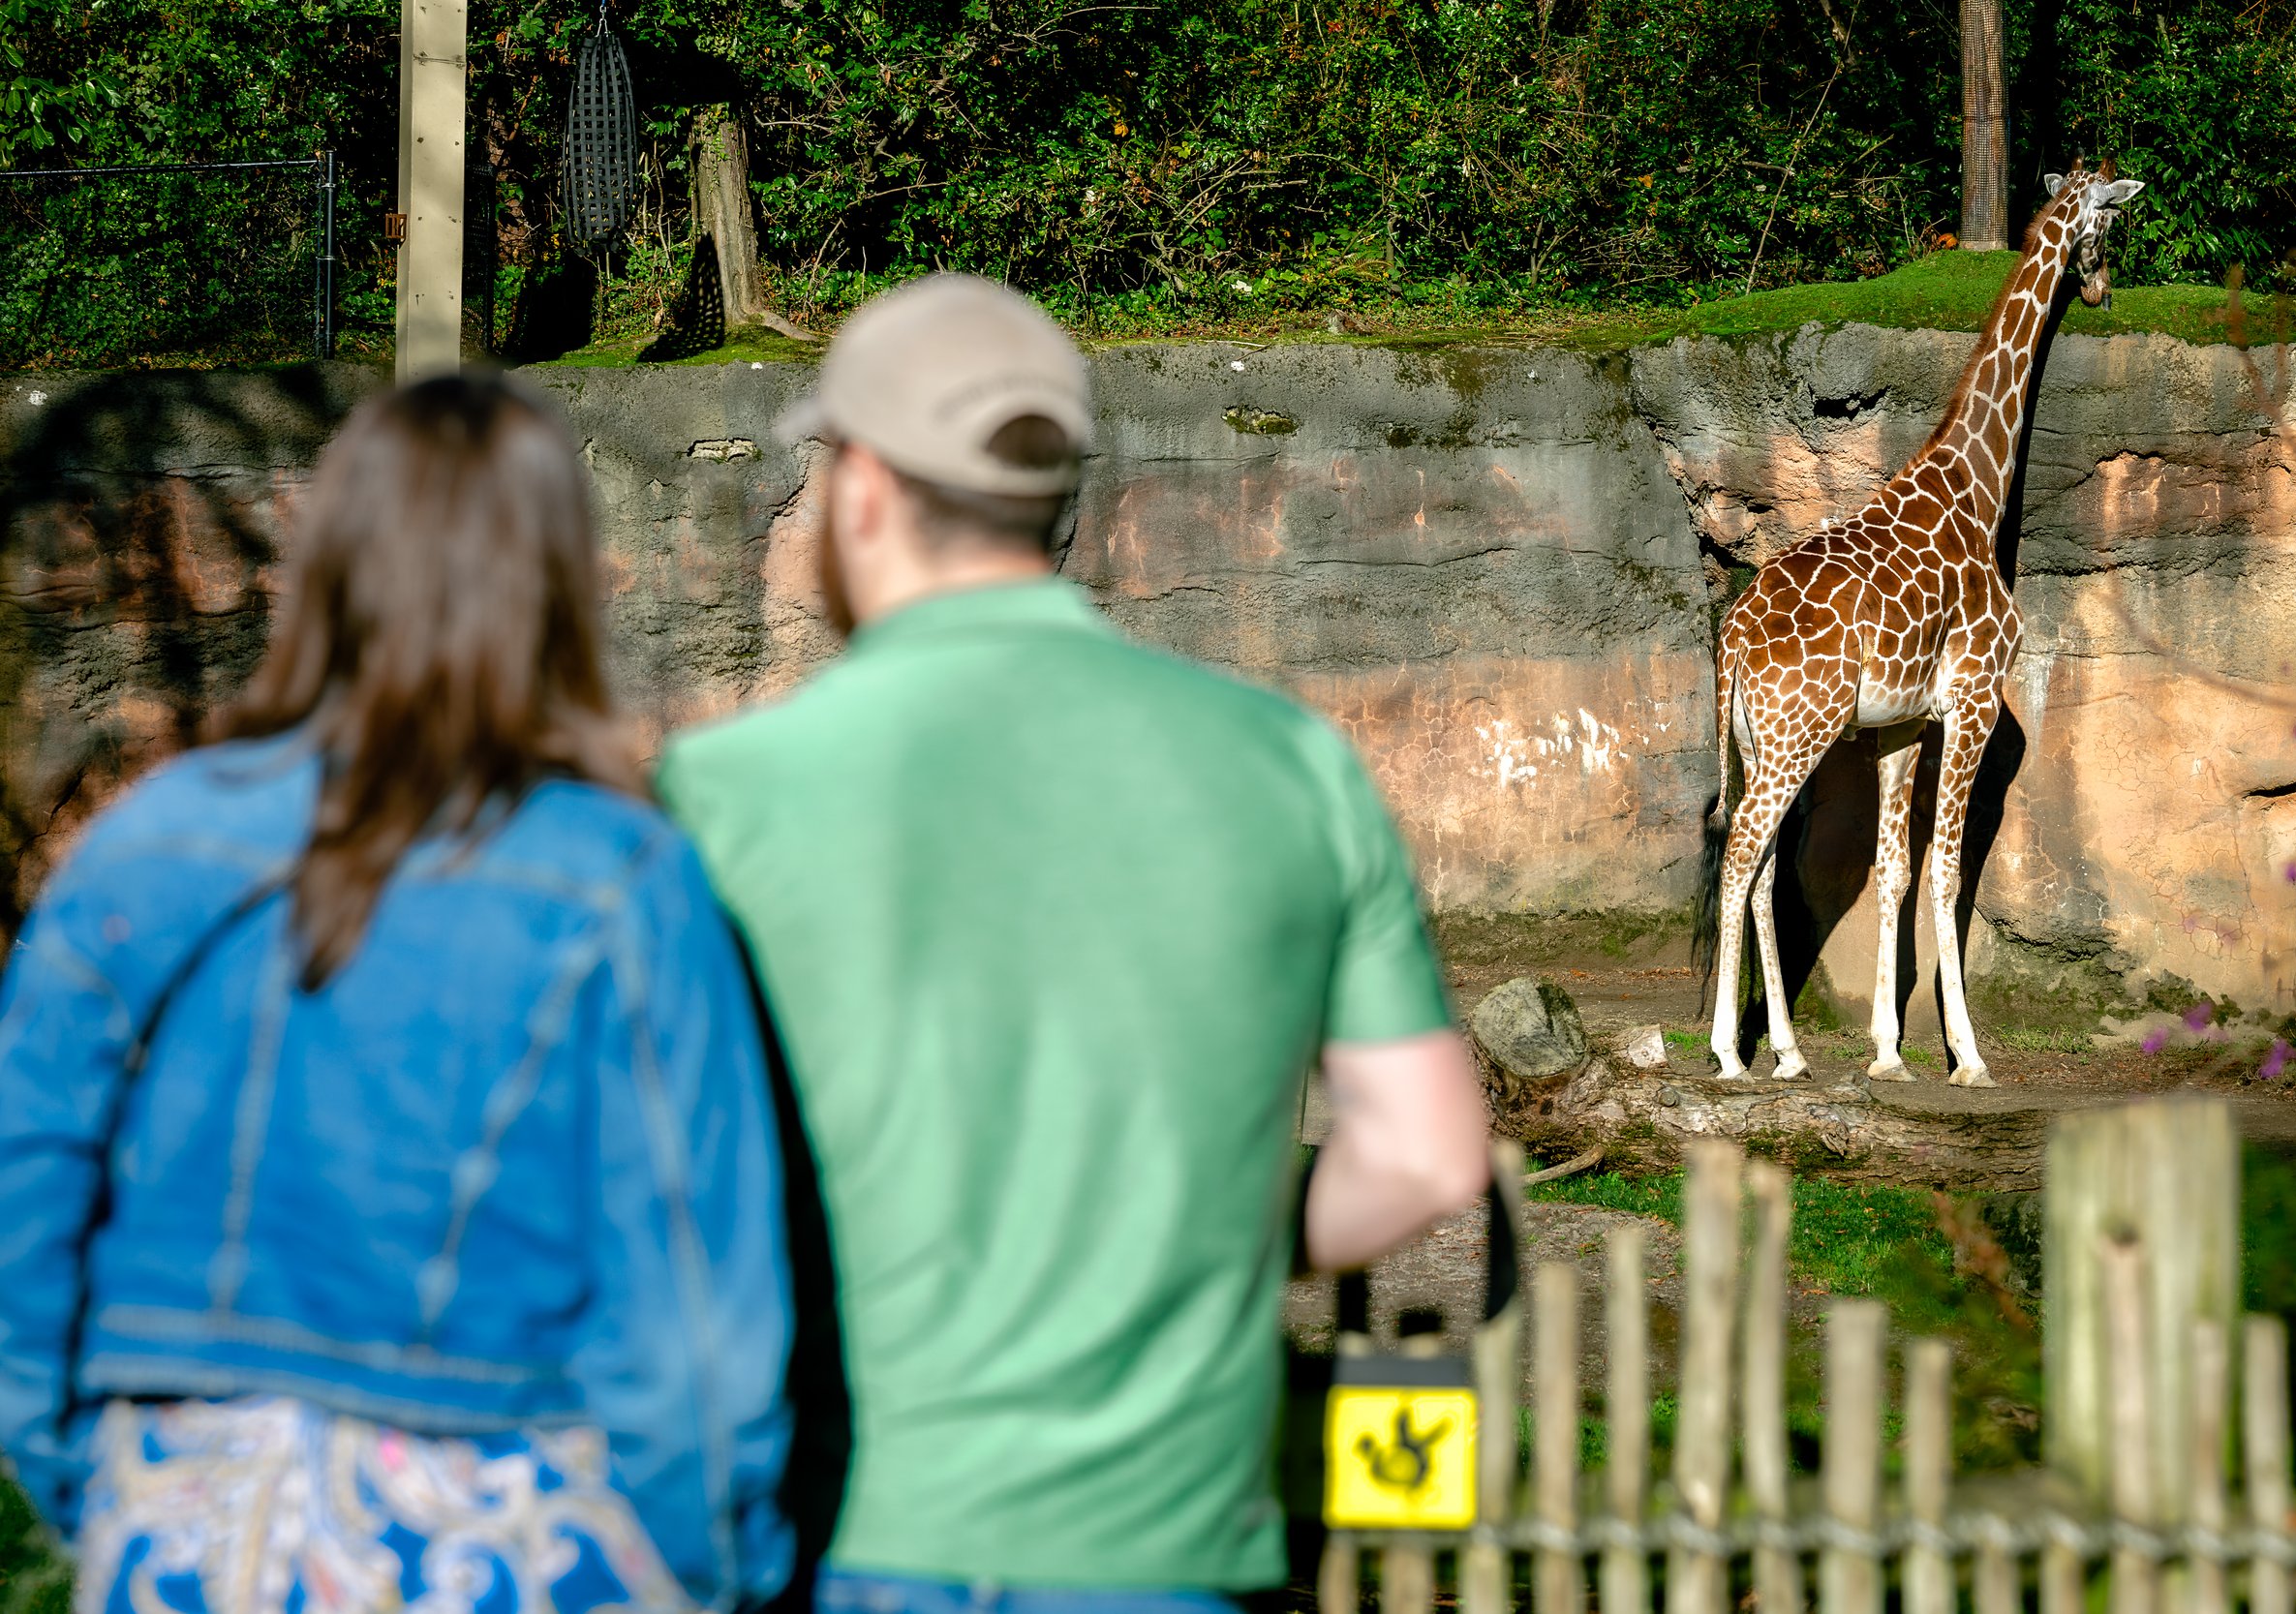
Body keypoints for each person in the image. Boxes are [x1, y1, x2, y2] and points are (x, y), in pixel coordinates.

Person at [658, 274, 1491, 1610]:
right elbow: (1425, 1154)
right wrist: (1198, 1226)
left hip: (848, 1526)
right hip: (1165, 1541)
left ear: (861, 489)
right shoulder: (1288, 765)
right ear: (1056, 501)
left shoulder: (721, 793)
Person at [0, 374, 793, 1614]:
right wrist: (716, 1559)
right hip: (512, 1518)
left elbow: (25, 1189)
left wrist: (99, 1477)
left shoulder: (140, 848)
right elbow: (693, 1294)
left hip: (185, 1512)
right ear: (554, 582)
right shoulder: (620, 878)